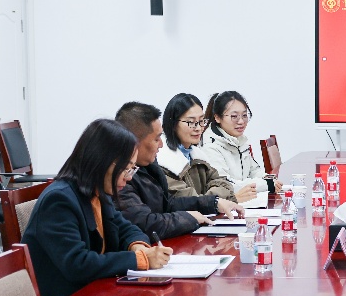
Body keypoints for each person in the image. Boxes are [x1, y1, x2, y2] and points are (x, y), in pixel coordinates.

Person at [22, 119, 171, 296]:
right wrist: (140, 260)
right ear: (103, 162)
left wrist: (138, 247)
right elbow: (78, 264)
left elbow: (126, 228)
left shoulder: (97, 193)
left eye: (132, 169)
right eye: (126, 169)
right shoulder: (59, 200)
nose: (128, 177)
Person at [114, 101, 244, 238]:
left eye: (201, 121)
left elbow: (169, 204)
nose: (161, 144)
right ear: (134, 141)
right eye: (156, 139)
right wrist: (189, 218)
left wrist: (213, 203)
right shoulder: (121, 178)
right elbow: (146, 224)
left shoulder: (150, 166)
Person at [158, 92, 257, 204]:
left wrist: (210, 199)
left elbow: (223, 183)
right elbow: (189, 201)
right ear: (173, 123)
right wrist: (216, 200)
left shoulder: (197, 156)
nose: (198, 128)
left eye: (201, 121)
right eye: (191, 122)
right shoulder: (164, 162)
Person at [192, 90, 282, 198]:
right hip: (228, 204)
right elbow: (226, 185)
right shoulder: (210, 147)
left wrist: (269, 179)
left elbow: (254, 170)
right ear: (217, 118)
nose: (241, 121)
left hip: (246, 200)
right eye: (234, 116)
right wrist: (266, 185)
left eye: (244, 115)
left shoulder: (238, 140)